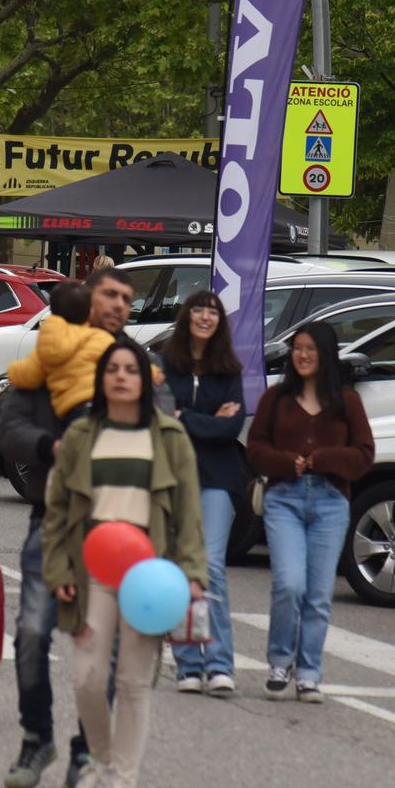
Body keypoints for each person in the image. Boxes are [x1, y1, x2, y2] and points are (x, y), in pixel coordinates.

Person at [0, 265, 152, 788]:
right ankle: (36, 737)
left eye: (125, 299)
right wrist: (50, 446)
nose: (117, 305)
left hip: (116, 526)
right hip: (53, 518)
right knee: (34, 631)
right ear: (88, 301)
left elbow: (167, 431)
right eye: (108, 295)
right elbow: (7, 425)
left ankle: (87, 751)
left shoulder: (134, 365)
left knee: (100, 647)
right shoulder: (53, 353)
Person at [42, 339, 206, 788]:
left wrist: (193, 575)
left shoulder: (170, 437)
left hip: (148, 578)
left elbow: (189, 514)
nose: (120, 377)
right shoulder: (80, 437)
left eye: (129, 370)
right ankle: (100, 762)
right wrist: (59, 571)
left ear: (143, 379)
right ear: (102, 379)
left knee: (133, 684)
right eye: (112, 369)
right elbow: (56, 512)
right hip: (92, 575)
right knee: (88, 679)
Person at [246, 321, 374, 703]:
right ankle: (279, 661)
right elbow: (255, 449)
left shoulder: (347, 401)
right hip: (284, 498)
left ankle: (308, 673)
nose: (302, 356)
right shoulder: (276, 399)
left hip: (330, 502)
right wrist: (288, 463)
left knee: (318, 593)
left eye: (310, 350)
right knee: (289, 584)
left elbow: (364, 454)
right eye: (298, 348)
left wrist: (323, 460)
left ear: (326, 356)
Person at [161, 290, 247, 698]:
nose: (205, 316)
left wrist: (185, 418)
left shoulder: (228, 370)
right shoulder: (166, 365)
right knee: (180, 571)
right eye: (198, 309)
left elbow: (230, 430)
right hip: (174, 478)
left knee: (210, 567)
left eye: (212, 311)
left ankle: (219, 663)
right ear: (186, 317)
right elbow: (160, 420)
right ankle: (188, 665)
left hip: (218, 478)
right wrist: (205, 420)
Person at [5, 281, 112, 420]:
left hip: (70, 409)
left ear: (52, 311)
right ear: (90, 312)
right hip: (101, 404)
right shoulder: (100, 337)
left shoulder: (48, 340)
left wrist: (12, 370)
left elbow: (29, 375)